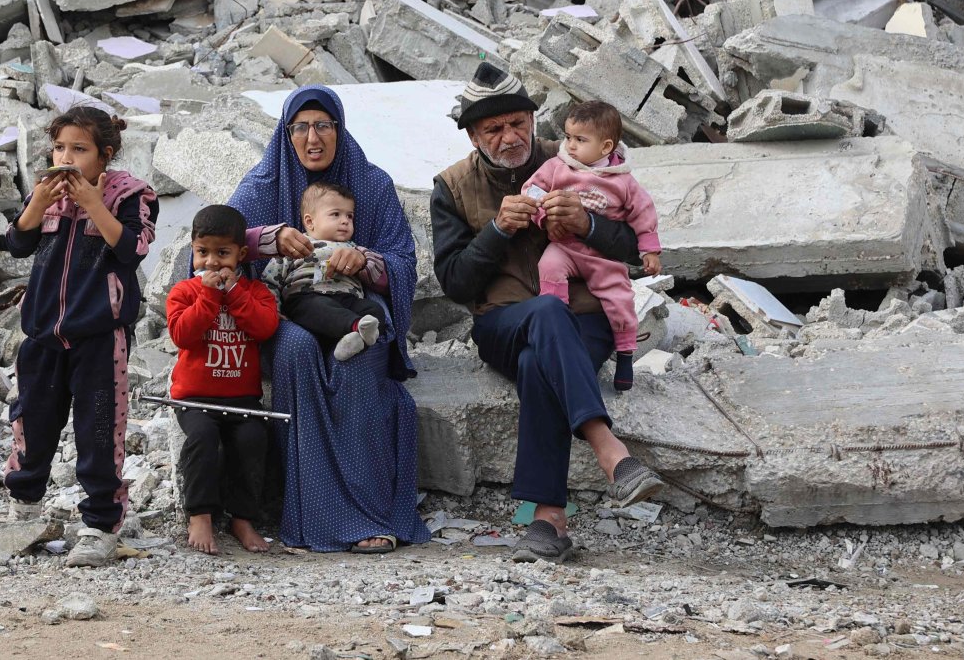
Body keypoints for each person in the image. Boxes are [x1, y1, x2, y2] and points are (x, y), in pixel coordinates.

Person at [430, 63, 662, 565]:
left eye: (518, 123)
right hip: (503, 323)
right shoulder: (451, 186)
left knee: (542, 360)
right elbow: (454, 284)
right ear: (473, 135)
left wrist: (590, 224)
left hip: (583, 318)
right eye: (494, 129)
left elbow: (631, 250)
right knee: (541, 318)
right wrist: (496, 232)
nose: (510, 136)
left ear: (534, 121)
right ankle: (609, 450)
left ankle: (547, 521)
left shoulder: (580, 157)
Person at [228, 85, 430, 553]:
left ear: (339, 130)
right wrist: (268, 239)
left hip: (356, 304)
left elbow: (404, 259)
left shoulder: (371, 184)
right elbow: (213, 243)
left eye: (324, 126)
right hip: (291, 307)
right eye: (301, 127)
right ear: (286, 133)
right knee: (297, 349)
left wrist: (365, 261)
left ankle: (368, 514)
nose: (312, 137)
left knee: (360, 358)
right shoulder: (263, 186)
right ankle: (312, 512)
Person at [2, 105, 158, 568]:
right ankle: (23, 509)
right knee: (32, 422)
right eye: (59, 147)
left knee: (98, 431)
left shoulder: (132, 194)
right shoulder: (46, 195)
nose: (66, 157)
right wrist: (37, 204)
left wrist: (93, 203)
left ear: (104, 155)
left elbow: (133, 249)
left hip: (99, 336)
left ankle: (98, 527)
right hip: (43, 333)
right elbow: (16, 244)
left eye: (79, 149)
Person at [524, 100, 662, 393]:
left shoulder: (623, 181)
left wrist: (650, 250)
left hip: (601, 255)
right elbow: (531, 190)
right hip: (564, 246)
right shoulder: (557, 167)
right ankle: (558, 322)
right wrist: (543, 218)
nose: (571, 146)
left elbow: (643, 213)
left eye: (580, 140)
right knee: (547, 268)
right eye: (569, 137)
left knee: (619, 297)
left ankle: (625, 353)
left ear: (605, 146)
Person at [165, 204, 278, 556]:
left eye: (223, 253)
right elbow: (182, 335)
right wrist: (210, 296)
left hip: (241, 399)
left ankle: (242, 518)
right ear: (193, 251)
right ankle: (200, 513)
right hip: (195, 398)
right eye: (203, 253)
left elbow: (265, 327)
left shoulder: (255, 292)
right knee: (202, 437)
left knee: (252, 439)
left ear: (242, 254)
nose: (211, 262)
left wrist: (234, 294)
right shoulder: (184, 292)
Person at [264, 181, 387, 361]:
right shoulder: (295, 245)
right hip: (307, 298)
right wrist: (272, 309)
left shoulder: (355, 249)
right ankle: (355, 327)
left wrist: (361, 261)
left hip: (347, 299)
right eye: (336, 214)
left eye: (350, 216)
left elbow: (377, 271)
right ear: (310, 221)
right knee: (319, 308)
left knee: (374, 310)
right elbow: (270, 280)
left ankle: (352, 342)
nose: (345, 221)